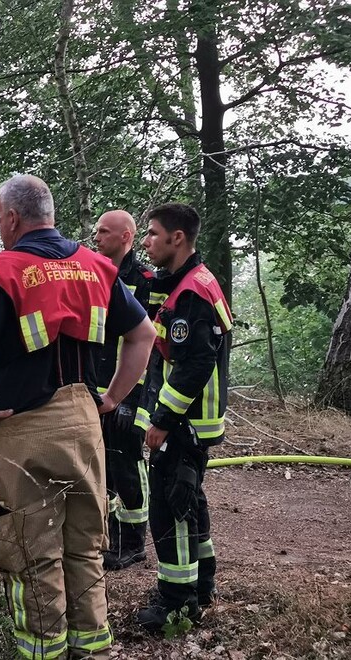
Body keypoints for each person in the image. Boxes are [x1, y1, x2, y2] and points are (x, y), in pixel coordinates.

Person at [0, 175, 156, 660]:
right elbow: (143, 335)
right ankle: (93, 648)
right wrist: (109, 398)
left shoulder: (4, 270)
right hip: (84, 422)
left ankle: (43, 650)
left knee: (30, 552)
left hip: (24, 429)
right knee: (86, 548)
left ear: (11, 218)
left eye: (0, 219)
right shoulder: (96, 266)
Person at [135, 202, 232, 631]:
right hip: (196, 422)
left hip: (184, 423)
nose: (146, 241)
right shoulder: (189, 282)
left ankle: (177, 602)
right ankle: (203, 582)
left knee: (171, 507)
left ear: (178, 237)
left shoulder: (192, 292)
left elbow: (193, 365)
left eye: (152, 233)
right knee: (190, 499)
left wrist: (162, 421)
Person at [94, 210, 154, 571]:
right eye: (96, 231)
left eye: (104, 232)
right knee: (102, 469)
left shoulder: (146, 281)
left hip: (129, 393)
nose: (96, 237)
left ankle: (133, 542)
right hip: (96, 391)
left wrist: (135, 403)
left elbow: (152, 347)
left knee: (127, 465)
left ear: (125, 237)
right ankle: (110, 536)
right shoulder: (94, 276)